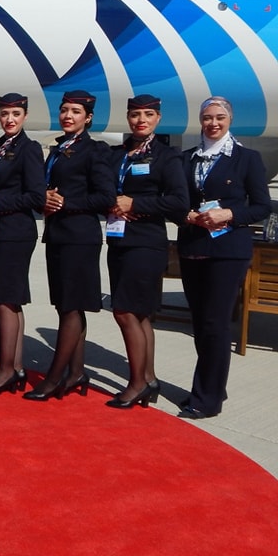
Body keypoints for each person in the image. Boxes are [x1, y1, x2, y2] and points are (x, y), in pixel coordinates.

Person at [177, 96, 270, 419]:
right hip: (193, 247)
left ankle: (206, 399)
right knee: (200, 321)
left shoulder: (247, 159)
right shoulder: (187, 158)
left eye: (219, 117)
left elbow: (262, 206)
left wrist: (229, 214)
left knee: (215, 322)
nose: (213, 123)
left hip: (228, 250)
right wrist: (187, 215)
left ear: (230, 120)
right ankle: (215, 383)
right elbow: (175, 201)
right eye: (207, 117)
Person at [24, 90, 115, 401]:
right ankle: (76, 372)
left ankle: (54, 377)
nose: (68, 116)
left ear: (88, 118)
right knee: (65, 304)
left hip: (80, 237)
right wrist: (45, 199)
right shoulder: (60, 148)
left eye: (75, 111)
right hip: (58, 234)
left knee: (72, 306)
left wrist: (66, 203)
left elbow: (105, 197)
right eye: (64, 110)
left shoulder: (95, 151)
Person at [104, 95, 187, 408]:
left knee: (125, 311)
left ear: (158, 118)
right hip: (118, 240)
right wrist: (111, 202)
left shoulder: (166, 157)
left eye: (148, 114)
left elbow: (178, 202)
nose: (141, 120)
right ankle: (149, 379)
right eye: (135, 115)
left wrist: (135, 203)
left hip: (147, 242)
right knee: (138, 314)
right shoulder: (117, 154)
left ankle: (137, 383)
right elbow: (104, 188)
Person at [0, 93, 44, 395]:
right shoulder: (2, 146)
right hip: (0, 230)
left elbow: (37, 197)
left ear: (25, 116)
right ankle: (15, 366)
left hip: (16, 231)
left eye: (15, 114)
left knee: (5, 298)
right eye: (4, 113)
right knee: (9, 299)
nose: (9, 119)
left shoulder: (29, 148)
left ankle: (5, 370)